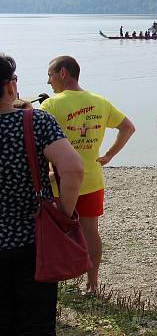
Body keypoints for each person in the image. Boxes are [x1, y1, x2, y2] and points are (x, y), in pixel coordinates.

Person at [1, 53, 84, 336]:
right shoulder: (35, 122)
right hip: (33, 241)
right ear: (11, 86)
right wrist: (63, 213)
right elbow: (73, 168)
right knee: (35, 324)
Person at [41, 55, 136, 295]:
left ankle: (57, 280)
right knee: (91, 231)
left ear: (63, 73)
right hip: (91, 177)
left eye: (51, 75)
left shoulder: (51, 105)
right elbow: (128, 127)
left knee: (55, 232)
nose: (49, 81)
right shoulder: (100, 101)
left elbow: (38, 141)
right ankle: (92, 284)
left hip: (60, 181)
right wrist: (109, 155)